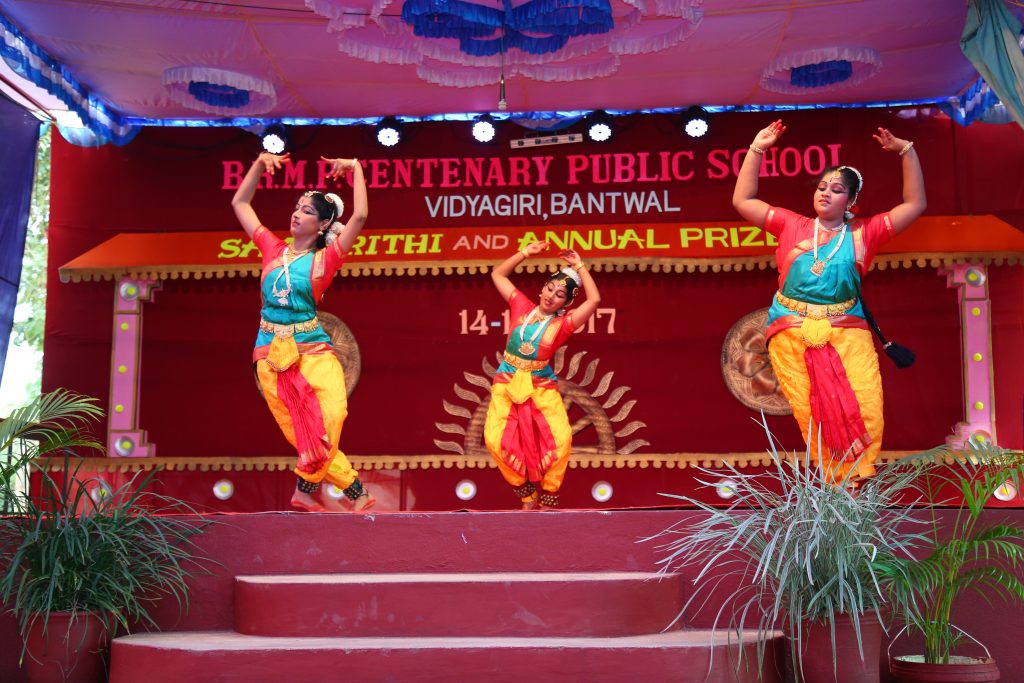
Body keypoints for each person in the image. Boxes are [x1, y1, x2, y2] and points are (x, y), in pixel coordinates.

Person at [732, 120, 926, 483]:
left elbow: (915, 204)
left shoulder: (866, 233)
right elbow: (743, 201)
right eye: (822, 187)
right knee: (815, 414)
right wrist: (756, 149)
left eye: (836, 190)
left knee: (865, 408)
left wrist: (906, 150)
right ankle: (835, 492)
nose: (825, 194)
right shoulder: (791, 225)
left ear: (851, 201)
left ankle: (854, 487)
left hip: (848, 331)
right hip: (792, 330)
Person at [232, 151, 375, 512]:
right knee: (302, 431)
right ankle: (352, 492)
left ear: (324, 224)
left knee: (332, 416)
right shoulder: (272, 248)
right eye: (297, 208)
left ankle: (306, 490)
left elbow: (360, 215)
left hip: (313, 349)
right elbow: (240, 203)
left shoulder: (328, 257)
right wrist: (259, 165)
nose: (296, 214)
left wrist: (356, 168)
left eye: (307, 211)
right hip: (270, 354)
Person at [484, 242, 602, 509]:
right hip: (507, 381)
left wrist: (579, 266)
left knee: (561, 440)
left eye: (560, 295)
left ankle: (549, 494)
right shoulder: (521, 306)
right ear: (542, 289)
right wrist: (525, 253)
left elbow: (594, 300)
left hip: (541, 385)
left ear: (566, 302)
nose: (551, 296)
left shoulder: (563, 325)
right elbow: (498, 274)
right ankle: (526, 494)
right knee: (495, 440)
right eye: (549, 288)